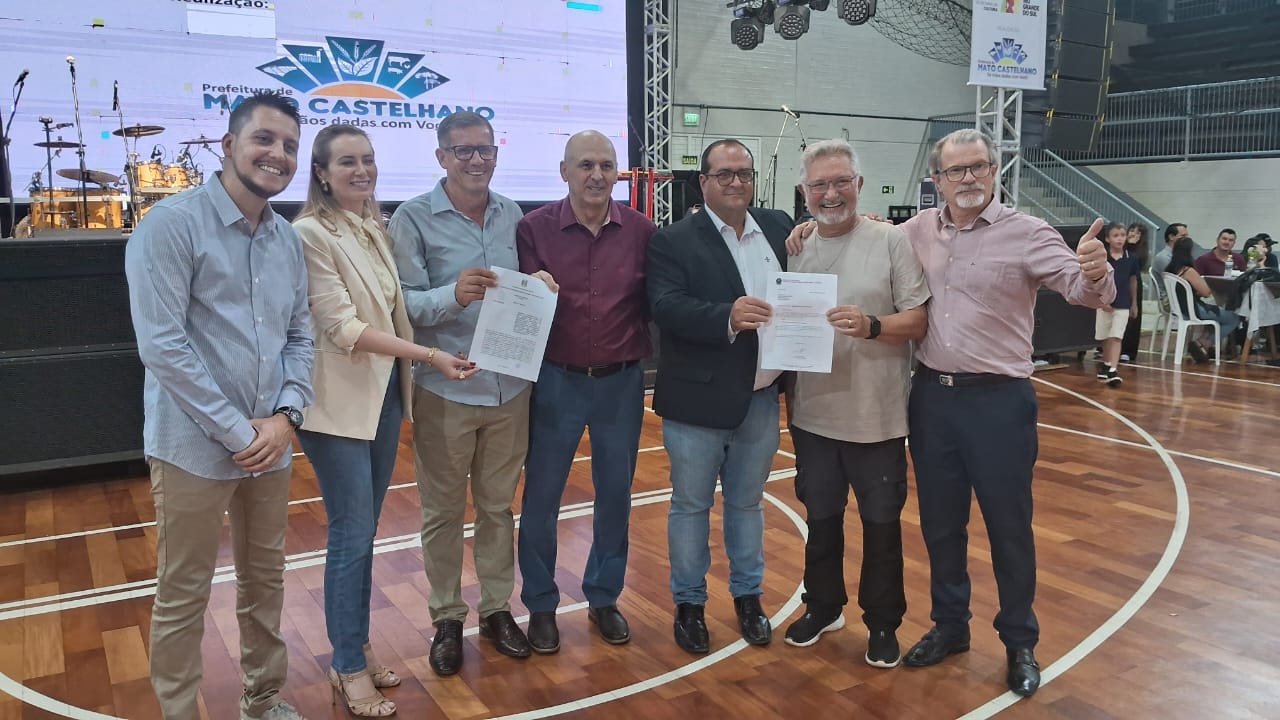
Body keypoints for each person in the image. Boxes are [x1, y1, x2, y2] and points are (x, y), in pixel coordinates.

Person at [785, 128, 1113, 698]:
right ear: (935, 179)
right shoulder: (914, 231)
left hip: (1000, 400)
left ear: (994, 170)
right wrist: (815, 226)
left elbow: (1085, 294)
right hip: (933, 398)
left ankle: (1020, 641)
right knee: (941, 525)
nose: (967, 178)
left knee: (1009, 527)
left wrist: (1094, 270)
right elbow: (857, 230)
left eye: (977, 166)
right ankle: (950, 626)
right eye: (955, 170)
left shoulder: (1028, 232)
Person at [125, 92, 315, 720]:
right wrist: (241, 432)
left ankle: (263, 700)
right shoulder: (170, 224)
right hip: (193, 448)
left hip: (271, 442)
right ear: (229, 145)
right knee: (184, 593)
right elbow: (163, 346)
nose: (278, 154)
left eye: (289, 145)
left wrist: (286, 417)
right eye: (265, 139)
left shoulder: (286, 240)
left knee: (265, 581)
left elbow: (300, 336)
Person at [293, 125, 476, 716]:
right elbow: (344, 328)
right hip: (337, 407)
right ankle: (347, 665)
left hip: (382, 397)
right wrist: (429, 355)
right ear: (321, 173)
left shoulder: (372, 226)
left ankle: (358, 649)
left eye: (368, 159)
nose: (362, 170)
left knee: (363, 534)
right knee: (350, 535)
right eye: (347, 162)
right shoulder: (309, 234)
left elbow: (395, 308)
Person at [388, 111, 557, 677]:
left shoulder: (513, 214)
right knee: (441, 512)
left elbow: (526, 288)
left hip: (510, 389)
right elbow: (402, 305)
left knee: (497, 508)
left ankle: (496, 610)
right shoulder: (412, 218)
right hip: (446, 389)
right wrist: (453, 295)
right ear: (441, 157)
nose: (476, 160)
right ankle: (446, 617)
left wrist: (541, 288)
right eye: (463, 151)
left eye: (485, 149)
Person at [781, 139, 929, 669]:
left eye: (841, 181)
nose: (831, 193)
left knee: (881, 526)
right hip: (813, 415)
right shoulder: (796, 246)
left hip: (877, 417)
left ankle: (883, 623)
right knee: (821, 520)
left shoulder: (890, 240)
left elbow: (919, 319)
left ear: (859, 185)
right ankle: (823, 606)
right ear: (804, 191)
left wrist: (872, 326)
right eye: (819, 184)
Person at [645, 139, 793, 654]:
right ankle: (689, 604)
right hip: (696, 405)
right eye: (725, 174)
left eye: (744, 174)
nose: (736, 182)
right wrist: (726, 316)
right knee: (691, 506)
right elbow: (665, 307)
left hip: (761, 399)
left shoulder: (778, 226)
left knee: (747, 504)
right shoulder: (672, 240)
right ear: (703, 182)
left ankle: (748, 598)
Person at [515, 130, 656, 653]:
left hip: (621, 383)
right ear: (564, 171)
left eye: (606, 165)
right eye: (585, 165)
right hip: (556, 380)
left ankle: (604, 596)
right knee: (542, 497)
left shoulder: (643, 231)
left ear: (618, 172)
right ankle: (541, 604)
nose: (597, 175)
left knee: (615, 494)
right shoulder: (532, 229)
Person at [1165, 235, 1240, 362]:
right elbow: (1206, 293)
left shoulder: (1170, 270)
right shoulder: (1188, 271)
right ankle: (1204, 343)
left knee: (1218, 317)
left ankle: (1203, 344)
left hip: (1179, 309)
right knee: (1233, 318)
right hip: (1193, 310)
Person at [1096, 223, 1140, 385]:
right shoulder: (1102, 258)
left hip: (1123, 303)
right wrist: (1101, 300)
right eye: (1115, 235)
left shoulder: (1131, 258)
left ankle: (1113, 369)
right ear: (1108, 238)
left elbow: (1133, 280)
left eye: (1122, 235)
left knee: (1116, 336)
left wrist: (1134, 303)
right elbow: (1095, 281)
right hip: (1104, 303)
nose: (1120, 239)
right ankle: (1107, 364)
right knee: (1104, 336)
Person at [1120, 222, 1150, 362]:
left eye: (1138, 233)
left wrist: (1131, 246)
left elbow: (1135, 264)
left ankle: (1128, 350)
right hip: (1118, 281)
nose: (1133, 234)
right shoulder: (1120, 245)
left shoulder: (1140, 252)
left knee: (1132, 316)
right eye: (1132, 230)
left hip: (1133, 283)